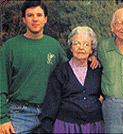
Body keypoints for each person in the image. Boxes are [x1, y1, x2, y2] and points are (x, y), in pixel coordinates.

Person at [0, 1, 98, 133]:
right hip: (19, 114)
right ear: (23, 19)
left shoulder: (53, 46)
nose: (35, 19)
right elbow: (1, 85)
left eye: (39, 15)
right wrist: (3, 118)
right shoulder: (10, 47)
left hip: (49, 115)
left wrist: (90, 58)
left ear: (45, 19)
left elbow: (72, 69)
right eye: (30, 15)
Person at [39, 26, 103, 133]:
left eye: (86, 44)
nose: (81, 47)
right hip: (66, 127)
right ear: (71, 47)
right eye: (77, 43)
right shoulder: (60, 72)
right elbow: (51, 104)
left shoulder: (97, 70)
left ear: (91, 49)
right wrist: (46, 129)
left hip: (93, 126)